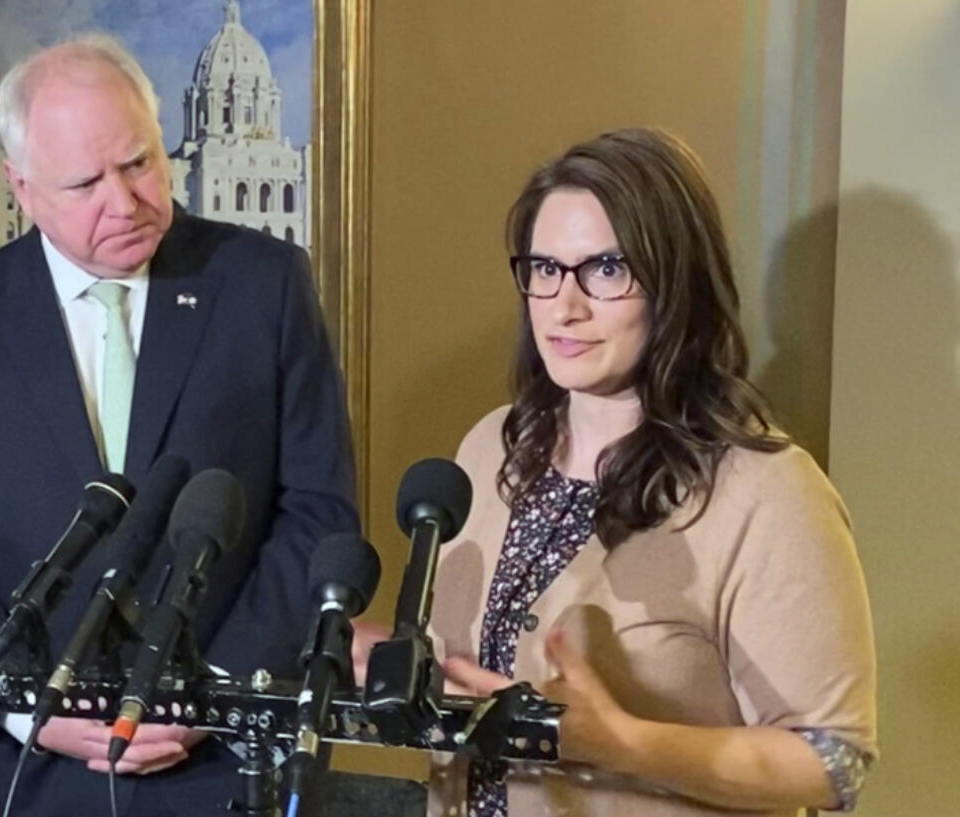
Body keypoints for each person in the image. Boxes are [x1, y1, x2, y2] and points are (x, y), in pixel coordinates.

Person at [0, 34, 357, 817]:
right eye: (85, 182)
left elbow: (318, 509)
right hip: (36, 769)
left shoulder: (263, 285)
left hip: (225, 759)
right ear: (22, 187)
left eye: (139, 163)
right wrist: (20, 699)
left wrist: (208, 695)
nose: (126, 200)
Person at [357, 128, 876, 816]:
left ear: (676, 282)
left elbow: (831, 761)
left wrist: (621, 742)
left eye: (605, 269)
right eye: (545, 268)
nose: (564, 305)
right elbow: (486, 671)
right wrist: (398, 662)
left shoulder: (768, 491)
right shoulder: (491, 447)